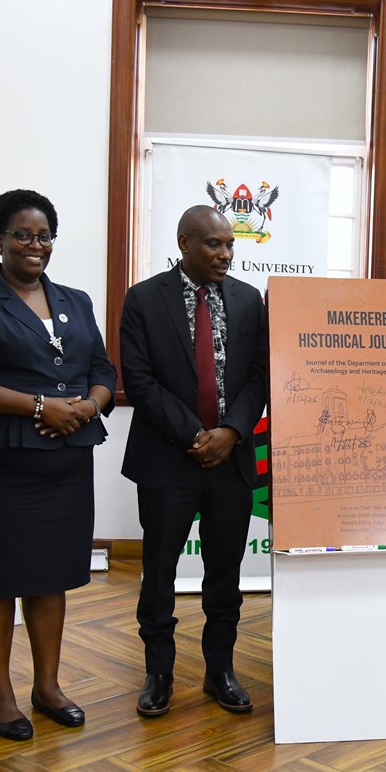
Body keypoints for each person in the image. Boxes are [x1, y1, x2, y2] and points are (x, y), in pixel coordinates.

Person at [0, 189, 116, 740]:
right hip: (3, 461)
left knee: (50, 579)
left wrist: (87, 407)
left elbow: (103, 371)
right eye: (22, 234)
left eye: (43, 235)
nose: (34, 245)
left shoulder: (77, 299)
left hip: (67, 461)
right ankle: (0, 695)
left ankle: (48, 686)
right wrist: (40, 406)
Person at [119, 205, 269, 717]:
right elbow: (139, 382)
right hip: (168, 460)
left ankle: (219, 671)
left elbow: (260, 377)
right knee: (159, 573)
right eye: (213, 245)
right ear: (184, 243)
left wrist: (229, 433)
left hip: (230, 460)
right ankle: (159, 673)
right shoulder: (143, 299)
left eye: (230, 245)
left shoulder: (250, 301)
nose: (225, 254)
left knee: (224, 574)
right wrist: (197, 435)